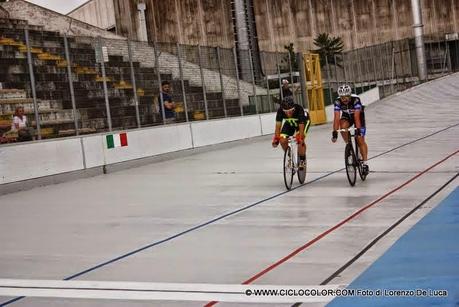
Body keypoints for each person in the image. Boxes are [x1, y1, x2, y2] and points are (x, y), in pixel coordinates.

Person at [331, 84, 369, 175]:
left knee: (360, 139)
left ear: (350, 95)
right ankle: (349, 145)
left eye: (347, 97)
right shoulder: (337, 101)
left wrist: (358, 130)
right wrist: (334, 132)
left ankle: (365, 163)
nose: (345, 99)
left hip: (358, 116)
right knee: (343, 126)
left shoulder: (356, 100)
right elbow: (336, 118)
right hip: (346, 116)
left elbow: (356, 117)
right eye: (342, 97)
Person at [272, 96, 310, 170]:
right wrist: (276, 139)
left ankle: (302, 159)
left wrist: (300, 138)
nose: (288, 114)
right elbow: (278, 127)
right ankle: (290, 157)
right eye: (285, 112)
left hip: (303, 122)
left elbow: (301, 127)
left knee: (300, 140)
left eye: (290, 111)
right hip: (290, 123)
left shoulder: (299, 109)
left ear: (293, 109)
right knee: (282, 140)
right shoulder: (280, 111)